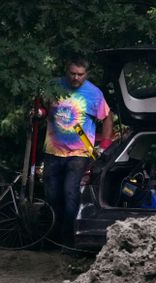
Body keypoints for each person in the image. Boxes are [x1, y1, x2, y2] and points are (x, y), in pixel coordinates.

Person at [42, 55, 112, 245]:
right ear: (67, 71)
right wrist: (37, 113)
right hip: (52, 151)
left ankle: (67, 240)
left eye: (80, 75)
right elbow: (41, 107)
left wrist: (104, 144)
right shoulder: (53, 86)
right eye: (72, 74)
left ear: (86, 74)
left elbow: (107, 117)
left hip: (79, 154)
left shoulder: (94, 93)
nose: (76, 78)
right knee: (51, 195)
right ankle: (52, 235)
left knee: (70, 194)